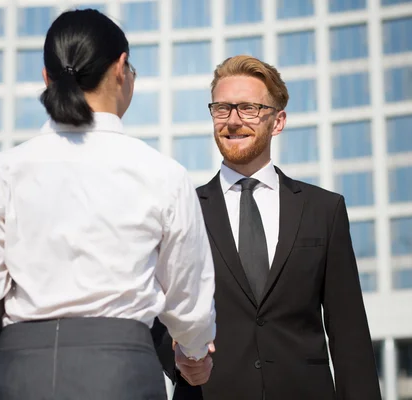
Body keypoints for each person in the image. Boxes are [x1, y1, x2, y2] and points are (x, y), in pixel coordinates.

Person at [0, 9, 216, 400]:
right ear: (122, 68)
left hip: (20, 374)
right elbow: (188, 303)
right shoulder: (162, 174)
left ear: (46, 76)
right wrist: (194, 354)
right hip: (121, 374)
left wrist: (22, 344)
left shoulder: (0, 172)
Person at [152, 55, 381, 400]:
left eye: (248, 108)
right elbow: (152, 313)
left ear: (277, 121)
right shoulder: (180, 209)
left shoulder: (324, 210)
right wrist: (179, 361)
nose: (233, 120)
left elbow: (350, 338)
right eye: (222, 109)